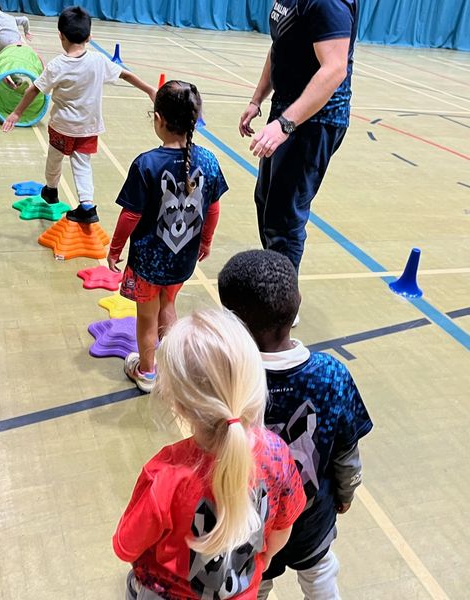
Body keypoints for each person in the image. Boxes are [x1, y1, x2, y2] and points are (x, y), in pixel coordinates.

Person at [113, 309, 307, 599]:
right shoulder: (277, 453)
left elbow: (126, 546)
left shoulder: (164, 475)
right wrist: (262, 563)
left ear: (177, 403)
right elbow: (283, 526)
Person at [218, 249, 373, 600]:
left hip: (251, 520)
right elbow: (347, 450)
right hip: (311, 514)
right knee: (320, 575)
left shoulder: (228, 376)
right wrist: (346, 493)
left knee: (253, 581)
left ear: (232, 320)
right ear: (298, 304)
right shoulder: (332, 375)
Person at [107, 81, 228, 392]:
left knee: (146, 318)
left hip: (148, 263)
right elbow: (213, 209)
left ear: (159, 119)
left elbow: (130, 215)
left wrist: (115, 249)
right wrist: (206, 241)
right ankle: (173, 368)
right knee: (168, 305)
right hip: (182, 259)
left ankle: (147, 372)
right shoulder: (210, 161)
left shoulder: (146, 163)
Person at [2, 6, 156, 224]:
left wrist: (16, 113)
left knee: (54, 159)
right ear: (90, 36)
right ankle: (87, 206)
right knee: (82, 165)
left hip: (62, 127)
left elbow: (34, 89)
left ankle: (51, 190)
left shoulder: (57, 65)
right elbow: (125, 75)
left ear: (61, 36)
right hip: (88, 127)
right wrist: (150, 89)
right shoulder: (99, 61)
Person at [238, 0, 358, 275]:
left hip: (315, 120)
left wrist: (284, 125)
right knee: (266, 202)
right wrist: (257, 99)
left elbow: (335, 69)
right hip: (286, 110)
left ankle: (282, 305)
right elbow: (280, 44)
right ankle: (275, 283)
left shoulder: (329, 4)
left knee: (284, 218)